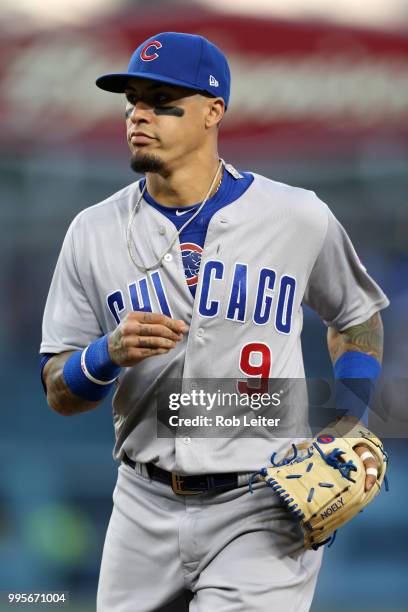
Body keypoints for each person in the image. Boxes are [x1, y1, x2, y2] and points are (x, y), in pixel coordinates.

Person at [40, 32, 389, 611]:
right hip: (140, 503)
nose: (138, 115)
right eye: (132, 101)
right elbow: (57, 388)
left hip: (261, 504)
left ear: (212, 112)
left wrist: (350, 419)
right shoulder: (91, 232)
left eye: (160, 101)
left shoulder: (297, 216)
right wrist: (104, 354)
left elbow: (357, 316)